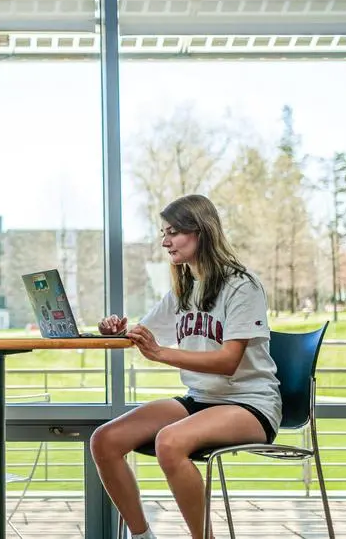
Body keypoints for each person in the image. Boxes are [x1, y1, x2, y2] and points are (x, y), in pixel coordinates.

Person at [90, 194, 281, 539]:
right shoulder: (183, 289)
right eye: (164, 233)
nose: (165, 242)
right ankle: (142, 535)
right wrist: (120, 331)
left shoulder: (242, 284)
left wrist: (161, 353)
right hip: (201, 399)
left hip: (250, 404)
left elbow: (227, 362)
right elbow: (144, 335)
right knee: (105, 440)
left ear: (201, 231)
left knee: (169, 441)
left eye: (174, 232)